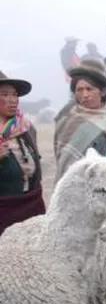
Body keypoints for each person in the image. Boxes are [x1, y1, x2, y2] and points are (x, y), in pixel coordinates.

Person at [0, 71, 45, 236]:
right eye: (5, 94)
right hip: (4, 211)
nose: (13, 100)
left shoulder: (26, 128)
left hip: (31, 205)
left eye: (15, 94)